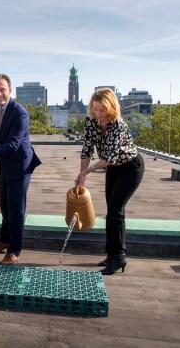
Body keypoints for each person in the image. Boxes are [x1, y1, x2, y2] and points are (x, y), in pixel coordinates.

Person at [0, 74, 41, 266]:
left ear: (10, 90)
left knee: (16, 210)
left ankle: (14, 251)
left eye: (2, 89)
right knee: (5, 205)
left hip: (20, 165)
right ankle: (4, 241)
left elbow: (13, 144)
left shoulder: (20, 112)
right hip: (3, 163)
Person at [75, 87, 145, 275]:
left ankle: (119, 256)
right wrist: (82, 173)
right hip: (113, 168)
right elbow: (87, 148)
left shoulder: (118, 125)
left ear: (111, 108)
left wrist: (88, 170)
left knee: (116, 209)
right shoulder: (91, 122)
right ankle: (111, 254)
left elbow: (111, 156)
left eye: (102, 110)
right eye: (95, 109)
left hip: (131, 166)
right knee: (110, 211)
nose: (98, 114)